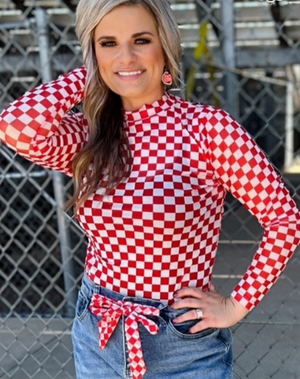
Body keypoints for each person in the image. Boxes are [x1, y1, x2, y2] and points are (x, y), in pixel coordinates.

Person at [1, 0, 300, 378]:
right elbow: (14, 126)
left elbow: (283, 219)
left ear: (165, 46)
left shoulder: (207, 129)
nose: (126, 56)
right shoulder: (88, 136)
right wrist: (92, 74)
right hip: (99, 331)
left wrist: (236, 305)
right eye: (107, 42)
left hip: (183, 342)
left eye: (140, 40)